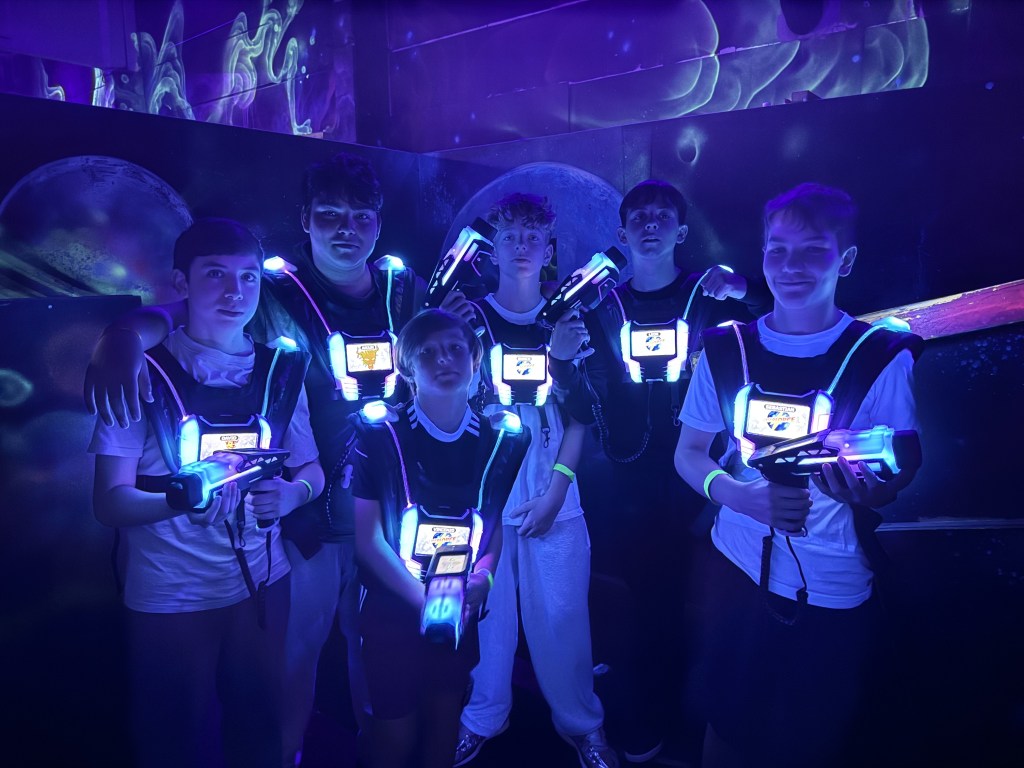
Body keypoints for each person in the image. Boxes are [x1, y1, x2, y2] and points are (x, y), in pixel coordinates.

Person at [82, 153, 461, 766]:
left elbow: (444, 361)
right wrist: (122, 336)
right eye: (330, 214)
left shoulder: (405, 289)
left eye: (361, 216)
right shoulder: (272, 289)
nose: (346, 229)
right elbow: (191, 311)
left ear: (379, 222)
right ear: (304, 219)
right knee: (283, 675)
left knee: (381, 668)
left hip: (390, 512)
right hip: (301, 532)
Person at [673, 183, 923, 768]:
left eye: (813, 250)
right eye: (778, 250)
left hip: (833, 583)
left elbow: (895, 472)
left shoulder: (880, 355)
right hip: (734, 569)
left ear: (846, 259)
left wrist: (868, 489)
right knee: (726, 725)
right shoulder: (726, 348)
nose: (791, 266)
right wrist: (740, 497)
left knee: (809, 739)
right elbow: (689, 453)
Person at [88, 218, 324, 768]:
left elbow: (310, 467)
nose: (234, 291)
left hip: (264, 584)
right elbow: (108, 501)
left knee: (259, 730)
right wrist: (177, 500)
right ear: (182, 282)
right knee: (171, 739)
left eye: (247, 277)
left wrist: (294, 495)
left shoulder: (282, 367)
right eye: (215, 274)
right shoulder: (143, 373)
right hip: (171, 593)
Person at [581, 179, 770, 763]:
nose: (650, 224)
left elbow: (775, 317)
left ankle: (704, 716)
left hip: (706, 475)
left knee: (712, 597)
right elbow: (581, 389)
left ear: (681, 231)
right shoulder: (602, 306)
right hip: (628, 477)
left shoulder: (710, 294)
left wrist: (744, 286)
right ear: (621, 233)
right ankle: (653, 714)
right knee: (646, 600)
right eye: (638, 216)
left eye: (662, 215)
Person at [444, 193, 617, 768]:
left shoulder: (565, 319)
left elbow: (582, 418)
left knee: (563, 616)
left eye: (533, 237)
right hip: (484, 498)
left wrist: (557, 491)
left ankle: (581, 723)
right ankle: (483, 715)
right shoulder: (469, 317)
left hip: (552, 492)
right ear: (492, 249)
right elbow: (445, 403)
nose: (522, 246)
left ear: (549, 250)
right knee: (486, 617)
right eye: (511, 236)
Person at [351, 309, 530, 768]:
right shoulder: (381, 435)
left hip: (462, 611)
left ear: (475, 359)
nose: (444, 359)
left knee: (444, 729)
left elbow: (491, 526)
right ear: (407, 369)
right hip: (393, 608)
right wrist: (428, 603)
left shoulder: (503, 439)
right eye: (427, 353)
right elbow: (368, 540)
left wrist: (483, 580)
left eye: (454, 349)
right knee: (393, 737)